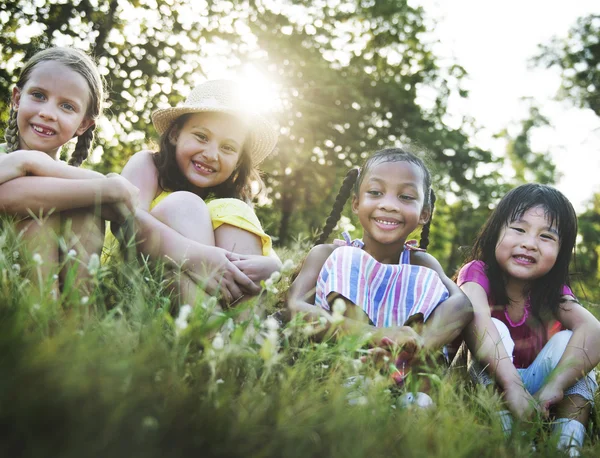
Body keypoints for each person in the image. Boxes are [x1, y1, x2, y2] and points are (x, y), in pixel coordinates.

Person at [287, 148, 473, 400]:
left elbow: (462, 304)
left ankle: (403, 385)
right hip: (333, 367)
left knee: (428, 281)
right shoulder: (327, 254)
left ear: (424, 214)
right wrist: (377, 335)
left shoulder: (421, 263)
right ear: (356, 203)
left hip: (404, 374)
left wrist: (410, 347)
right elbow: (296, 306)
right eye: (375, 192)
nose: (389, 205)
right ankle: (355, 378)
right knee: (347, 258)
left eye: (406, 197)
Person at [457, 183, 600, 456]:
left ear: (561, 252)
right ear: (496, 231)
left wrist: (553, 387)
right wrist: (511, 385)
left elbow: (594, 330)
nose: (529, 243)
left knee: (573, 342)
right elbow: (476, 316)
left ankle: (565, 443)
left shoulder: (552, 291)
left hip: (541, 390)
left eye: (546, 237)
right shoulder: (477, 272)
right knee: (490, 327)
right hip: (487, 381)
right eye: (519, 229)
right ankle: (511, 439)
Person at [118, 79, 281, 307]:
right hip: (139, 273)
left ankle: (243, 333)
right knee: (185, 205)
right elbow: (125, 221)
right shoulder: (148, 164)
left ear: (238, 161)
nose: (212, 154)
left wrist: (274, 266)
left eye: (228, 148)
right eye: (201, 137)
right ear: (175, 134)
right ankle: (209, 328)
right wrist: (196, 257)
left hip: (214, 283)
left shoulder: (232, 199)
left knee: (235, 211)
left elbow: (268, 254)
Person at [0, 47, 138, 296]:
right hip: (10, 284)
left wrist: (110, 188)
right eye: (39, 95)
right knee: (41, 211)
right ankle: (41, 311)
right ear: (17, 99)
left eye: (66, 106)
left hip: (68, 289)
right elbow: (7, 198)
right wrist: (28, 161)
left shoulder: (77, 180)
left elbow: (120, 206)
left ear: (83, 124)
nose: (47, 113)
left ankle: (75, 318)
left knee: (84, 207)